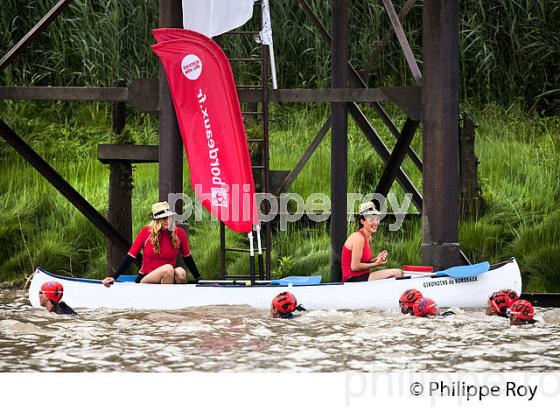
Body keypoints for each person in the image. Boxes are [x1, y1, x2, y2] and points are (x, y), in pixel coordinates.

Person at [102, 201, 201, 287]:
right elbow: (130, 257)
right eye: (164, 218)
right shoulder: (146, 232)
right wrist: (114, 277)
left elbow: (188, 258)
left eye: (169, 217)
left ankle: (177, 302)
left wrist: (199, 278)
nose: (168, 221)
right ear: (157, 220)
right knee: (168, 269)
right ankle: (166, 303)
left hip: (168, 276)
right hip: (146, 277)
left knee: (181, 272)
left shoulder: (180, 233)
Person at [341, 201, 403, 282]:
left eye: (377, 219)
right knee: (397, 273)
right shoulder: (358, 238)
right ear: (362, 221)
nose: (376, 223)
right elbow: (355, 266)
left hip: (363, 276)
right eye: (371, 220)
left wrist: (375, 259)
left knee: (398, 273)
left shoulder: (369, 237)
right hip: (352, 279)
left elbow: (363, 261)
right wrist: (375, 264)